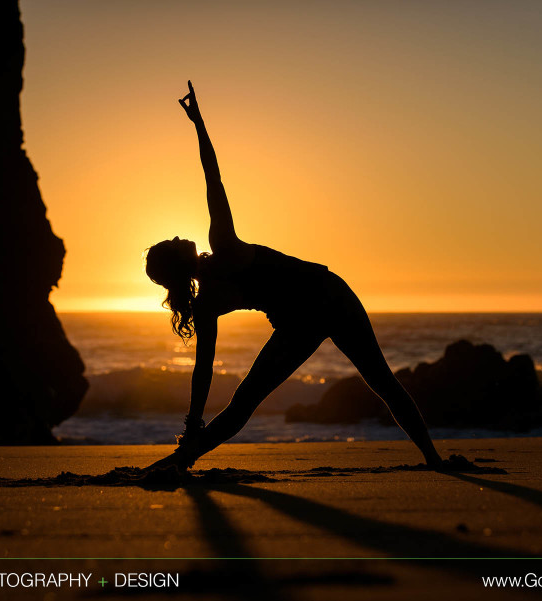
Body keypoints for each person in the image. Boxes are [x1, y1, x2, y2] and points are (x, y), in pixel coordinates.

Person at [144, 81, 445, 471]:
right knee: (258, 399)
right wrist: (199, 124)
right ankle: (435, 460)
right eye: (171, 241)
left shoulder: (207, 301)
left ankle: (183, 459)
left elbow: (203, 373)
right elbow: (212, 178)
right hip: (318, 305)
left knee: (258, 399)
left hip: (321, 303)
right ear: (178, 260)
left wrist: (192, 421)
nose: (177, 235)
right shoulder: (222, 248)